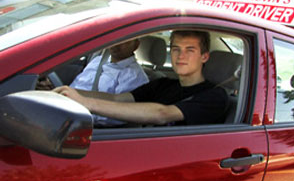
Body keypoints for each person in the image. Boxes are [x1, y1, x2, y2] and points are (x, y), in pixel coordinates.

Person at [53, 30, 229, 126]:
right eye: (175, 49)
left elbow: (163, 114)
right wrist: (69, 93)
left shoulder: (215, 96)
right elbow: (118, 98)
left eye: (189, 50)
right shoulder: (163, 84)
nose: (180, 56)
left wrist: (86, 103)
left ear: (204, 56)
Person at [70, 39, 149, 126]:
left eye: (125, 41)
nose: (116, 44)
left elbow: (117, 115)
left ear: (136, 45)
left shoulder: (135, 76)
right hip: (69, 108)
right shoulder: (98, 60)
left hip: (87, 123)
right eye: (114, 38)